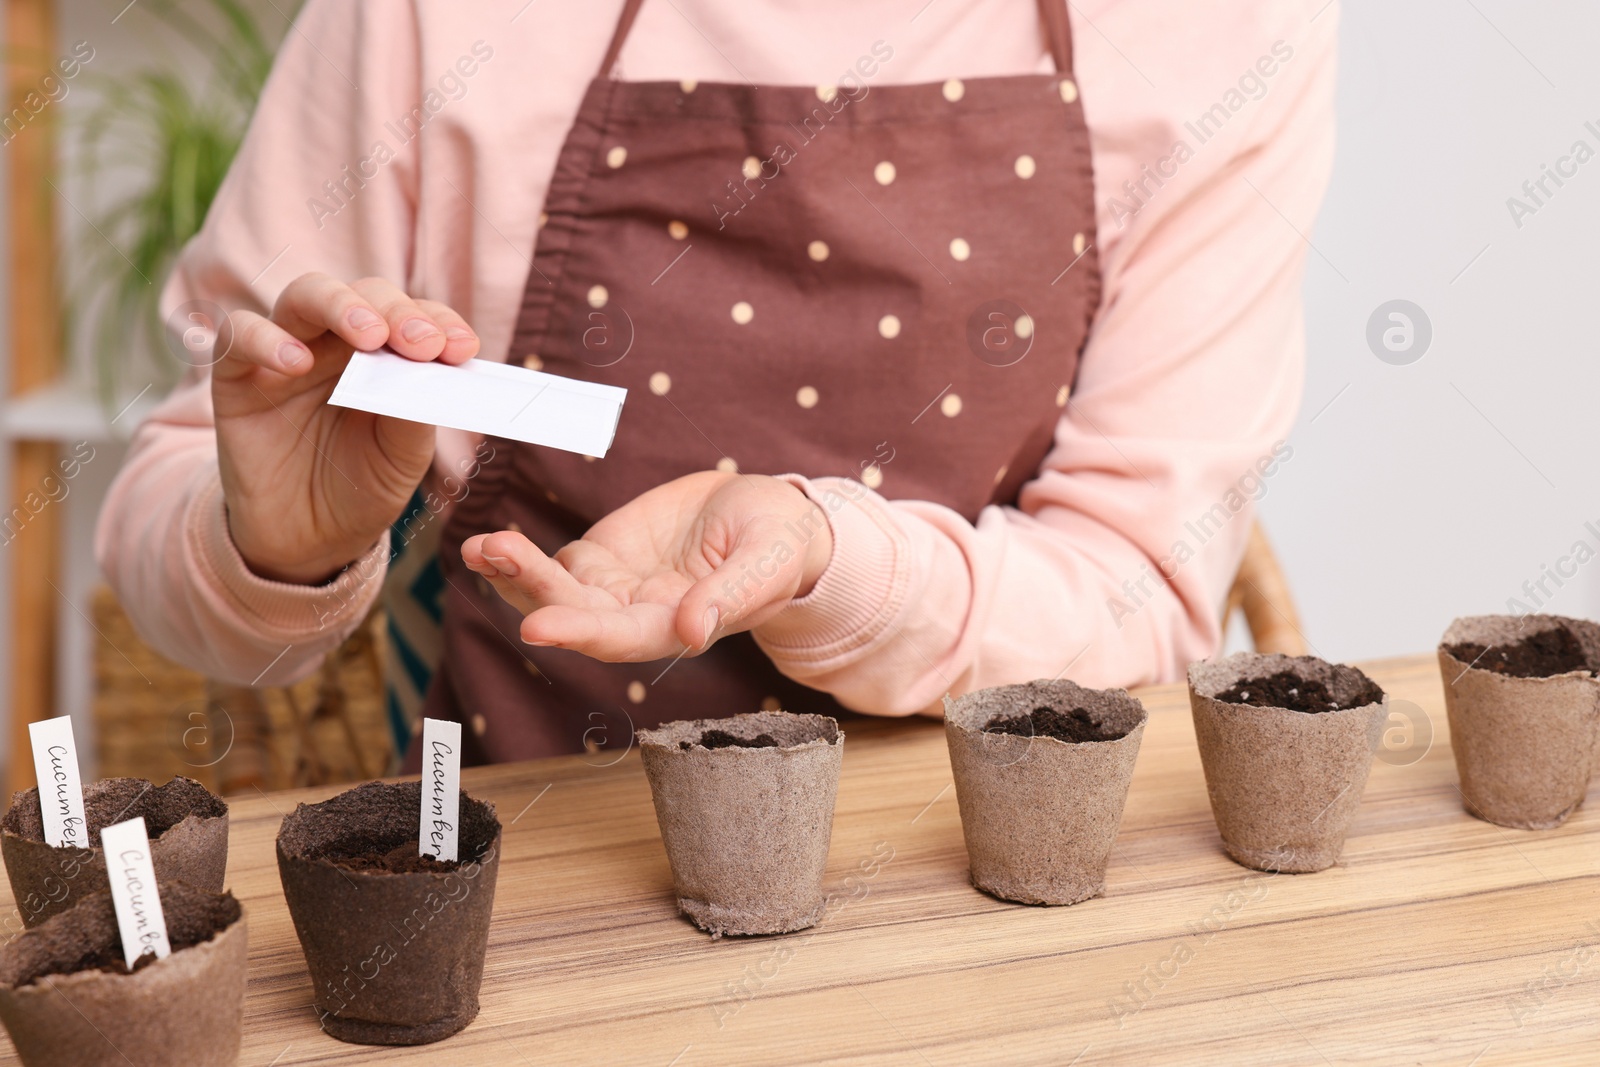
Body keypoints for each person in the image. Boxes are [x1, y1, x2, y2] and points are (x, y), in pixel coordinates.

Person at [96, 0, 1335, 766]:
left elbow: (1138, 595)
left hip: (1001, 874)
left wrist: (823, 558)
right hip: (522, 881)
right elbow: (179, 506)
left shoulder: (1220, 25)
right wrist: (274, 550)